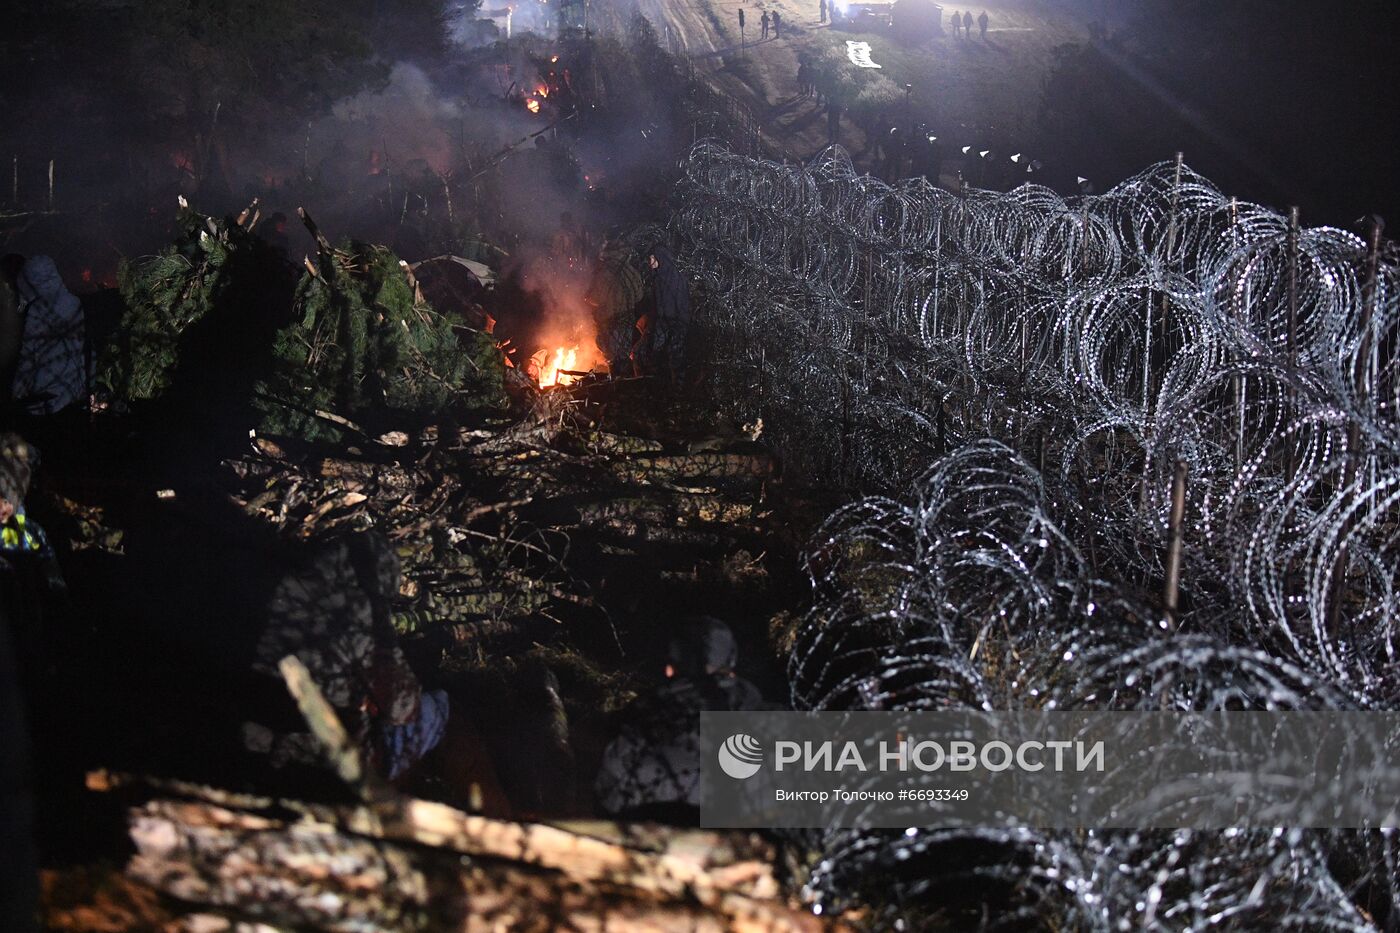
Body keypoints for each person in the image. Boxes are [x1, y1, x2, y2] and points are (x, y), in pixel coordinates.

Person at [635, 244, 690, 383]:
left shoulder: (676, 278)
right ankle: (657, 384)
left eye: (653, 258)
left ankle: (678, 390)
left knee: (676, 357)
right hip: (662, 322)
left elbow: (682, 303)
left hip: (676, 323)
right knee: (654, 353)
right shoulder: (657, 278)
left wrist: (682, 325)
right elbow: (656, 304)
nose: (650, 262)